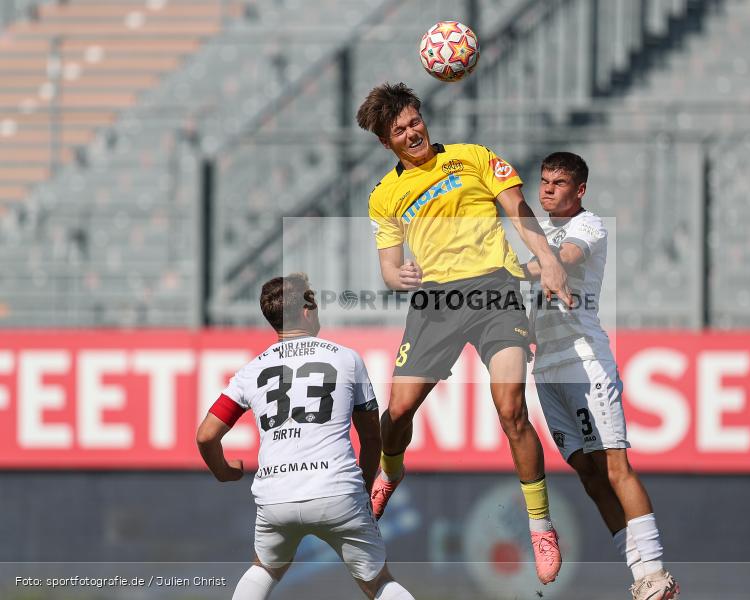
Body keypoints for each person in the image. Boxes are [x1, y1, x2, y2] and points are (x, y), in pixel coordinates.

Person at [356, 82, 571, 585]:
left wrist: (547, 259)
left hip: (495, 292)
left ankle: (539, 525)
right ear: (386, 143)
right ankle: (390, 470)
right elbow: (389, 266)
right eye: (400, 130)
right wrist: (397, 277)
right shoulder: (385, 196)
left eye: (415, 121)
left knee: (511, 408)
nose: (412, 133)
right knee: (399, 412)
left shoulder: (474, 158)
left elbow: (519, 210)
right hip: (435, 303)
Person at [196, 273, 415, 600]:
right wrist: (364, 489)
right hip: (337, 491)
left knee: (264, 568)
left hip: (275, 496)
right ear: (308, 309)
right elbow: (371, 438)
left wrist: (223, 471)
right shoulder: (346, 358)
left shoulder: (251, 371)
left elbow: (205, 436)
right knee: (378, 583)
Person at [523, 152, 680, 600]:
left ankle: (655, 572)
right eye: (544, 181)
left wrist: (509, 271)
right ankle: (638, 572)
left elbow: (565, 260)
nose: (548, 189)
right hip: (547, 367)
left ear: (580, 190)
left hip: (584, 361)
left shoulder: (588, 226)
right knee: (588, 473)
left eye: (559, 183)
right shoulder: (540, 235)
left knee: (615, 466)